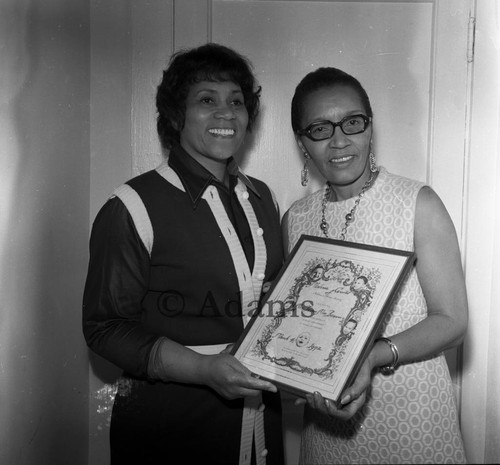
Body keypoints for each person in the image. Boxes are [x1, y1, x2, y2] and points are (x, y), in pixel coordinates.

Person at [83, 43, 285, 465]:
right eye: (206, 100)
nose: (226, 114)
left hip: (261, 420)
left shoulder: (261, 198)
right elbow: (105, 328)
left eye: (237, 102)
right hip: (169, 422)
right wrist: (203, 369)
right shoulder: (132, 205)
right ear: (176, 116)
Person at [282, 67, 468, 464]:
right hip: (326, 426)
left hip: (412, 423)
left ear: (370, 129)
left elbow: (452, 322)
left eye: (352, 122)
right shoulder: (295, 219)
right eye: (319, 129)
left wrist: (371, 356)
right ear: (302, 142)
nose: (339, 141)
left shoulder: (418, 203)